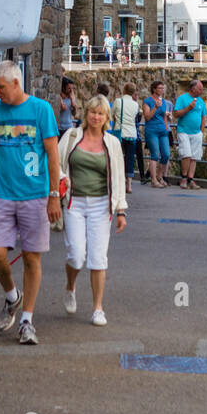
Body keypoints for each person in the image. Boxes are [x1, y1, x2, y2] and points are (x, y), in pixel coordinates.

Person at [0, 61, 61, 345]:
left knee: (32, 258)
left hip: (35, 195)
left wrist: (54, 194)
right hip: (2, 194)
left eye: (0, 87)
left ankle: (27, 321)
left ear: (16, 83)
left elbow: (53, 154)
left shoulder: (41, 110)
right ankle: (12, 296)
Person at [58, 95, 127, 326]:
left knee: (98, 258)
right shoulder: (71, 137)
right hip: (74, 202)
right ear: (86, 114)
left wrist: (121, 211)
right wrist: (61, 180)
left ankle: (98, 308)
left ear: (107, 118)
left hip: (101, 205)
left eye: (101, 113)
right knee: (76, 255)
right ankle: (70, 286)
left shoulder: (113, 144)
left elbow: (117, 178)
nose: (96, 117)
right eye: (92, 112)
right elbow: (56, 165)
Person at [173, 78, 207, 189]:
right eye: (200, 88)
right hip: (184, 131)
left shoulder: (201, 101)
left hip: (196, 133)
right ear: (193, 88)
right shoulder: (182, 99)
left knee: (194, 157)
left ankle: (191, 179)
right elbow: (176, 114)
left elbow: (203, 116)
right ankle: (184, 178)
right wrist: (188, 108)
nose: (202, 91)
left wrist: (201, 131)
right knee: (186, 155)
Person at [142, 78, 173, 187]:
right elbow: (147, 117)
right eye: (160, 88)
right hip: (152, 130)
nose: (162, 90)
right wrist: (155, 107)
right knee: (154, 155)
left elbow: (164, 115)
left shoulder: (163, 101)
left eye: (162, 88)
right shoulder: (147, 101)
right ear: (154, 89)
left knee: (166, 154)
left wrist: (166, 127)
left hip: (162, 131)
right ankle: (154, 180)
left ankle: (160, 176)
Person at [112, 82, 141, 193]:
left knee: (117, 158)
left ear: (124, 90)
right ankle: (129, 184)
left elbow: (111, 115)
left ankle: (119, 182)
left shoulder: (118, 101)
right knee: (129, 159)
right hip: (132, 134)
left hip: (120, 133)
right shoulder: (135, 105)